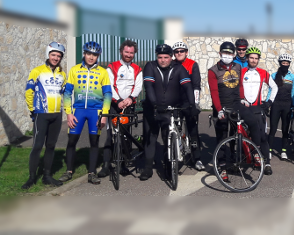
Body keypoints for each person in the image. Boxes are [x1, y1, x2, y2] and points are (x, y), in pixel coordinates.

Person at [207, 42, 267, 180]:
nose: (227, 55)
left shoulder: (238, 66)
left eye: (230, 53)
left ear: (234, 55)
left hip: (236, 104)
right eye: (225, 53)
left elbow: (240, 85)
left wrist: (242, 98)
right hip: (221, 107)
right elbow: (214, 92)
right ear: (220, 54)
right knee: (222, 138)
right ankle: (222, 168)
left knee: (253, 122)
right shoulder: (213, 70)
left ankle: (256, 152)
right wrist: (218, 110)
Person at [140, 44, 197, 181]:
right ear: (156, 57)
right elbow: (149, 86)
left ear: (171, 57)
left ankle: (168, 167)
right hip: (152, 109)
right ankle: (147, 168)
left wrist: (192, 104)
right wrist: (154, 104)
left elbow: (188, 86)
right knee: (150, 139)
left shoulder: (178, 68)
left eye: (166, 57)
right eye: (160, 57)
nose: (163, 60)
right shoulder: (150, 66)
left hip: (170, 110)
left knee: (168, 139)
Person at [59, 41, 112, 185]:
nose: (91, 57)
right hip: (78, 111)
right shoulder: (75, 70)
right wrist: (69, 113)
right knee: (72, 141)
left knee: (94, 142)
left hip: (96, 111)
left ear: (98, 56)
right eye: (89, 53)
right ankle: (69, 171)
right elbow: (68, 93)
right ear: (84, 54)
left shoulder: (103, 72)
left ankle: (92, 173)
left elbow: (108, 94)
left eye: (94, 54)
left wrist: (104, 115)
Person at [22, 42, 67, 189]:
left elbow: (64, 93)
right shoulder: (37, 71)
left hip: (56, 115)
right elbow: (29, 92)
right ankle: (32, 178)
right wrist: (33, 109)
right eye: (53, 55)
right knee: (37, 146)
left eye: (59, 56)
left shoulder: (62, 74)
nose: (56, 58)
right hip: (41, 114)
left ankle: (47, 176)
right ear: (48, 54)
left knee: (51, 146)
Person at [98, 40, 143, 178]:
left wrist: (130, 98)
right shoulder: (112, 67)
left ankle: (123, 163)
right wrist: (117, 101)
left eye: (131, 52)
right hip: (113, 104)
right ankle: (106, 166)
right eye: (126, 52)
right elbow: (110, 85)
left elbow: (138, 86)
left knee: (125, 135)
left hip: (129, 105)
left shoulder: (137, 69)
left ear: (134, 53)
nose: (129, 55)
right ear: (121, 51)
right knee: (109, 135)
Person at [240, 47, 278, 175]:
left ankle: (266, 162)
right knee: (242, 136)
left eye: (256, 58)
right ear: (247, 58)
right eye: (251, 57)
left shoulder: (263, 73)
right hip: (244, 108)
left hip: (257, 108)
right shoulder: (241, 71)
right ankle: (244, 159)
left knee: (262, 137)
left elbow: (274, 87)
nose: (254, 60)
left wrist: (269, 102)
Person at [172, 41, 204, 171]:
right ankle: (176, 155)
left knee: (192, 131)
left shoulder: (192, 65)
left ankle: (197, 158)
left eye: (181, 51)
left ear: (186, 52)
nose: (179, 53)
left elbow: (196, 86)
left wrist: (194, 104)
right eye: (176, 51)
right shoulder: (171, 64)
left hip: (188, 101)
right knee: (175, 129)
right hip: (174, 102)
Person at [267, 53, 294, 160]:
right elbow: (270, 90)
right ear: (280, 63)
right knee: (273, 129)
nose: (285, 64)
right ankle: (269, 150)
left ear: (289, 64)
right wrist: (267, 103)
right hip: (276, 104)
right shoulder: (274, 76)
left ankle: (283, 151)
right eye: (283, 63)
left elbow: (293, 91)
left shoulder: (292, 76)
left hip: (287, 105)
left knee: (285, 129)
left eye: (287, 63)